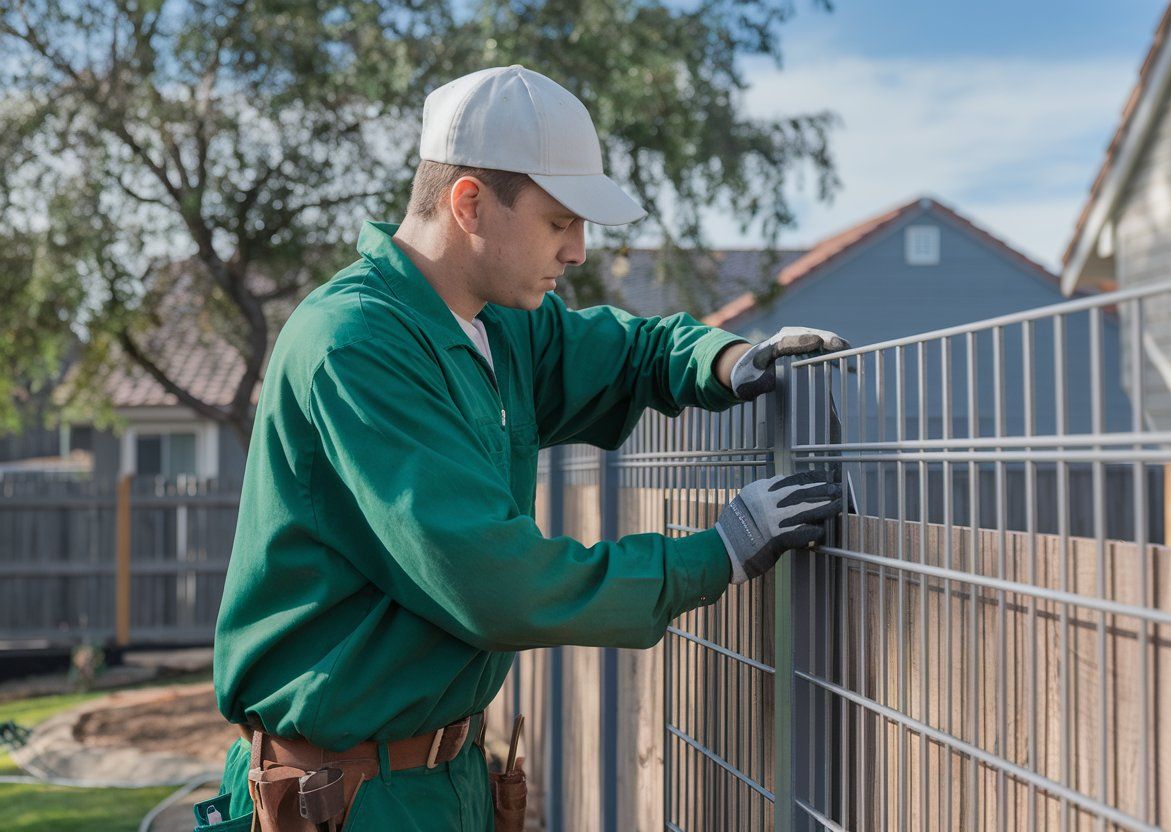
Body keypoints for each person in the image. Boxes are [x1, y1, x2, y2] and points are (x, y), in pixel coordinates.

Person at [203, 65, 847, 831]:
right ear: (469, 203)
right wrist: (719, 552)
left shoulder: (492, 325)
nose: (577, 249)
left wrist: (725, 360)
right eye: (559, 221)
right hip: (346, 797)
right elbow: (492, 584)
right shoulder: (356, 344)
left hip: (444, 775)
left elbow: (631, 351)